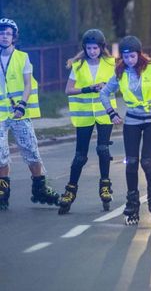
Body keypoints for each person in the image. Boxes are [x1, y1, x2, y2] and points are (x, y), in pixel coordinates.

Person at [100, 36, 151, 225]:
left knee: (147, 162)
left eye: (132, 56)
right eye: (125, 57)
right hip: (132, 121)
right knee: (131, 162)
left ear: (139, 54)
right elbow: (104, 93)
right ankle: (132, 202)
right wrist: (111, 113)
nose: (129, 60)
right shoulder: (120, 72)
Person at [0, 18, 59, 210]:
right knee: (0, 154)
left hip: (19, 112)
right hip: (0, 114)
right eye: (1, 33)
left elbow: (27, 84)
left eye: (8, 33)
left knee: (31, 150)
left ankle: (40, 188)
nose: (4, 36)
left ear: (14, 37)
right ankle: (2, 193)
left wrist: (22, 105)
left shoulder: (22, 57)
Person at [58, 29, 117, 214]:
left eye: (95, 48)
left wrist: (106, 87)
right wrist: (88, 89)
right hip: (84, 115)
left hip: (105, 112)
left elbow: (119, 85)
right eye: (89, 48)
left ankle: (105, 186)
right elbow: (68, 90)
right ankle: (70, 190)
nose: (92, 51)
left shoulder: (110, 63)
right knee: (80, 156)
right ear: (85, 48)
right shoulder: (78, 65)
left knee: (103, 149)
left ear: (101, 48)